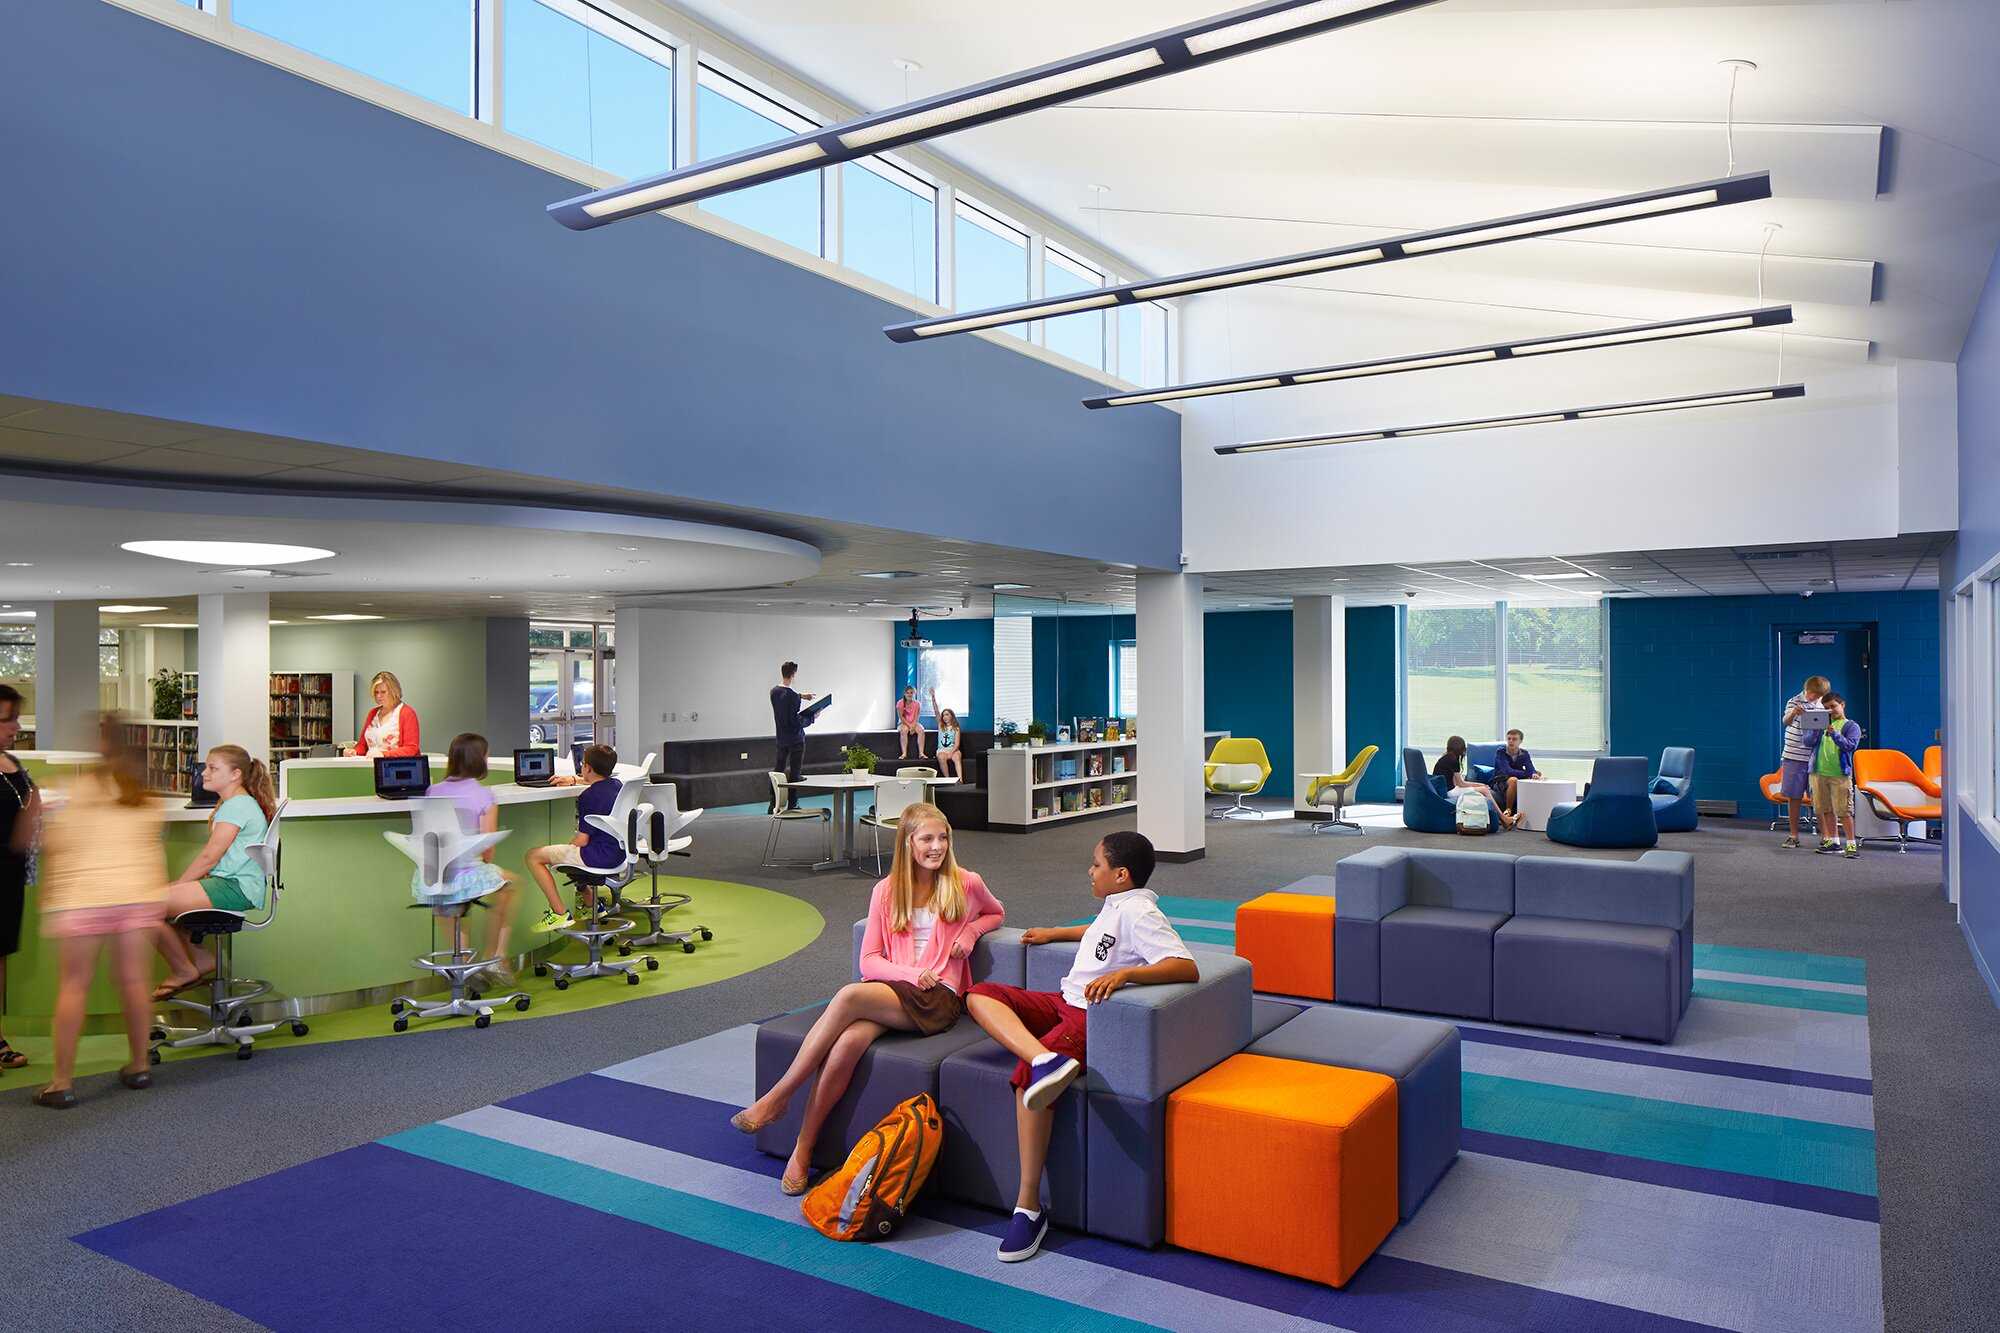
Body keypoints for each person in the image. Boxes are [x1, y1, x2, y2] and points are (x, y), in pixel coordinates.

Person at [730, 802, 1002, 1195]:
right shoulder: (886, 891)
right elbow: (869, 960)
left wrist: (970, 933)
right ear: (907, 844)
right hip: (900, 989)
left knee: (848, 996)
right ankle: (803, 1150)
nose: (937, 846)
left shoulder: (966, 882)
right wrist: (910, 973)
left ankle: (779, 1096)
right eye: (927, 838)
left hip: (939, 998)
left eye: (943, 838)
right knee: (849, 1042)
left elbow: (996, 912)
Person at [965, 831, 1197, 1263]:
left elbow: (1184, 965)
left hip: (1089, 1016)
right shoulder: (1117, 905)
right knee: (979, 994)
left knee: (1025, 1086)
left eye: (1096, 865)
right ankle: (1042, 1058)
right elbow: (1098, 932)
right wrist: (1054, 933)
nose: (1090, 871)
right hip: (1062, 1001)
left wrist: (1126, 977)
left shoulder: (1142, 912)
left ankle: (1029, 1207)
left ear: (1121, 875)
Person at [33, 718, 167, 1108]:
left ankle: (61, 1082)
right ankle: (140, 1065)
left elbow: (53, 842)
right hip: (137, 897)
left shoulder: (76, 791)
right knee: (135, 984)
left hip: (83, 898)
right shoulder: (147, 797)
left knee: (74, 986)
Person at [151, 745, 277, 999]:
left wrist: (179, 885)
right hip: (231, 885)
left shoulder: (237, 805)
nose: (204, 773)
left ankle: (184, 969)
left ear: (235, 774)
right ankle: (199, 961)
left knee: (143, 905)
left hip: (234, 888)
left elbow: (211, 856)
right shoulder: (237, 802)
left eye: (213, 768)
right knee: (155, 905)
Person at [420, 733, 520, 980]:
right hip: (468, 874)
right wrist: (482, 865)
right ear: (479, 760)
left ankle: (462, 963)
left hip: (434, 875)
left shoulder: (432, 791)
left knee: (450, 902)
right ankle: (494, 957)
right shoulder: (484, 795)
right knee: (511, 885)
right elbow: (487, 848)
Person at [525, 743, 622, 930]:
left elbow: (581, 841)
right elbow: (595, 782)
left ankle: (559, 913)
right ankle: (591, 904)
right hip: (619, 854)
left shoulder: (589, 797)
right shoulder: (617, 785)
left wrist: (567, 847)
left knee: (534, 856)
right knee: (567, 856)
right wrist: (574, 780)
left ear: (587, 768)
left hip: (597, 856)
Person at [0, 684, 40, 1073]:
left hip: (9, 876)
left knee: (0, 956)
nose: (15, 726)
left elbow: (29, 806)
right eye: (6, 719)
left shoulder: (11, 762)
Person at [1778, 674, 1832, 849]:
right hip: (1793, 756)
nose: (1814, 698)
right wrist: (1794, 713)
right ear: (1806, 690)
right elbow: (1785, 722)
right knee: (1794, 797)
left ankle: (1826, 836)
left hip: (1816, 757)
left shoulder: (1824, 704)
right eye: (1812, 694)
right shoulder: (1794, 701)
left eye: (1818, 696)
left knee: (1820, 798)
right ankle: (1793, 835)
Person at [1811, 692, 1864, 859]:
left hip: (1840, 775)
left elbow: (1850, 746)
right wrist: (1813, 731)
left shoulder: (1851, 726)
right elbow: (1808, 743)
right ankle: (1834, 842)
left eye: (1833, 706)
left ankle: (1851, 844)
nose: (1830, 711)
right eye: (1826, 708)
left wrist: (1834, 733)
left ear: (1842, 705)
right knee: (1826, 809)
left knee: (1844, 810)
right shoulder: (1821, 725)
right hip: (1819, 773)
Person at [1433, 735, 1514, 829]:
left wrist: (1475, 786)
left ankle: (1498, 818)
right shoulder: (1453, 760)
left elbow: (1456, 783)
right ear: (1461, 748)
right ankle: (1503, 818)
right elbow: (1461, 784)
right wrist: (1481, 785)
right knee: (1485, 790)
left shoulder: (1446, 757)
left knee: (1483, 790)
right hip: (1449, 792)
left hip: (1448, 789)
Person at [769, 661, 818, 812]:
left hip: (781, 738)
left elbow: (785, 697)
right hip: (796, 739)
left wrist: (802, 696)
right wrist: (812, 717)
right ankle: (793, 803)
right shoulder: (793, 697)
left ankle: (773, 803)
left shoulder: (774, 692)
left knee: (778, 770)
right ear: (793, 675)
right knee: (795, 772)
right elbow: (795, 721)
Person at [346, 670, 420, 758]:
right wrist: (354, 751)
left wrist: (384, 755)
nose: (378, 696)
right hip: (371, 766)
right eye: (376, 692)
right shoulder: (373, 713)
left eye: (383, 692)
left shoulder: (407, 713)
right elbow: (363, 745)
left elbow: (411, 748)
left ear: (394, 691)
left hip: (395, 767)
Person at [1490, 728, 1542, 816]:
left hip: (1518, 778)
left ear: (1520, 741)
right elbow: (1507, 771)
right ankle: (1508, 811)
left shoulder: (1524, 753)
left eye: (1514, 739)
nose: (1511, 741)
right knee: (1513, 780)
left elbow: (1530, 768)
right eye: (1509, 739)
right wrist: (1527, 773)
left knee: (1537, 774)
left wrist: (1534, 774)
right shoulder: (1501, 752)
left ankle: (1534, 811)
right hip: (1500, 780)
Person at [931, 688, 963, 782]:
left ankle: (960, 780)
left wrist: (951, 752)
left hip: (953, 749)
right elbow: (936, 711)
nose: (945, 717)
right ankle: (948, 779)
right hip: (942, 750)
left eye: (947, 714)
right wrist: (933, 697)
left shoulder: (956, 728)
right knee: (941, 757)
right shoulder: (941, 726)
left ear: (951, 716)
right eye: (943, 715)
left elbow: (957, 744)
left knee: (957, 757)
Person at [896, 685, 925, 760]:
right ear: (904, 694)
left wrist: (913, 726)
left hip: (914, 722)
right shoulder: (900, 703)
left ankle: (921, 753)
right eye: (907, 693)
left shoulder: (917, 704)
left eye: (911, 693)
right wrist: (909, 726)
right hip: (903, 723)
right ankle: (904, 753)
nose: (909, 694)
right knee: (904, 730)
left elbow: (916, 717)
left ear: (914, 694)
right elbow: (901, 717)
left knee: (921, 730)